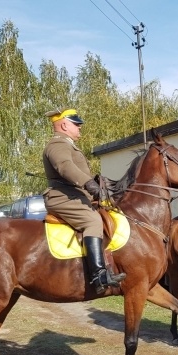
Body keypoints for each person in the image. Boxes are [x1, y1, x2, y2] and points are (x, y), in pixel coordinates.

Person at [42, 108, 125, 294]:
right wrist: (88, 184)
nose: (80, 128)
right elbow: (65, 167)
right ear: (64, 125)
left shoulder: (67, 144)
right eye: (76, 125)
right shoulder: (58, 144)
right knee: (93, 221)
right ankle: (98, 275)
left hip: (74, 195)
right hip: (63, 197)